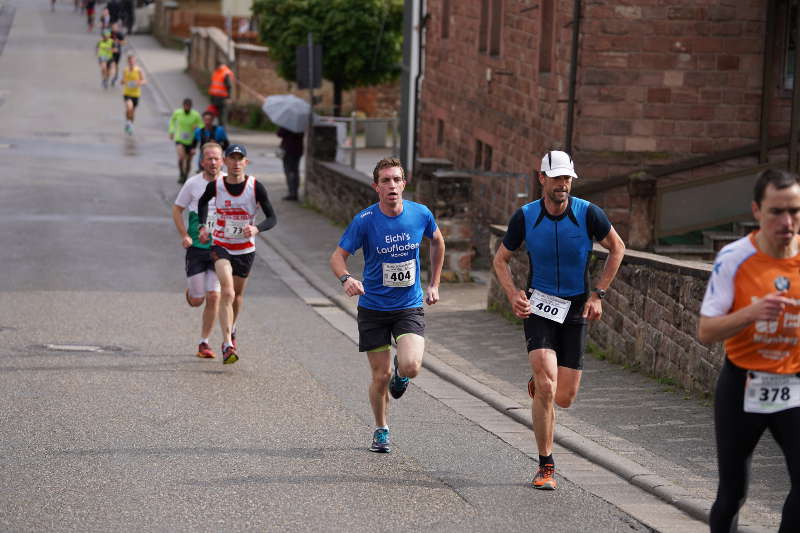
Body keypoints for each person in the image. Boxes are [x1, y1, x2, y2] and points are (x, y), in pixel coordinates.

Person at [492, 150, 625, 490]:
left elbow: (617, 248)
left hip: (577, 308)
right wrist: (512, 294)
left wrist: (599, 294)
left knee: (563, 397)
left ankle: (540, 388)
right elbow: (501, 259)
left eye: (568, 178)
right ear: (542, 179)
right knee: (547, 383)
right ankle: (545, 465)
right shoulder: (525, 217)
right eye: (557, 178)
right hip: (539, 306)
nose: (563, 184)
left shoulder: (588, 214)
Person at [698, 168, 800, 533]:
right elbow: (706, 330)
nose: (787, 221)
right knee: (732, 493)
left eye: (795, 211)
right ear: (757, 211)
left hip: (793, 386)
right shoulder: (735, 257)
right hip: (742, 385)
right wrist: (751, 313)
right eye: (776, 211)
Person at [329, 157, 445, 453]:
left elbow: (437, 242)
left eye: (396, 179)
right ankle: (381, 429)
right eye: (385, 181)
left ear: (404, 184)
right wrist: (346, 279)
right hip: (373, 309)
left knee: (411, 366)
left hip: (408, 305)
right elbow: (337, 257)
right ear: (376, 187)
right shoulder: (364, 221)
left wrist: (434, 284)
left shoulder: (420, 214)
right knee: (380, 377)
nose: (392, 185)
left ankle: (401, 369)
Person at [197, 144, 277, 364]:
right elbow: (203, 202)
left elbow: (272, 217)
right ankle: (227, 345)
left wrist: (257, 228)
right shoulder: (217, 185)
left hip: (245, 249)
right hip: (221, 245)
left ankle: (232, 328)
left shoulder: (255, 187)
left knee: (238, 297)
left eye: (239, 158)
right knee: (228, 292)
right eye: (231, 158)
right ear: (225, 161)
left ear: (245, 162)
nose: (235, 162)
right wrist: (203, 227)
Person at [172, 142, 226, 360]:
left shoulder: (228, 183)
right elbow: (177, 210)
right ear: (202, 161)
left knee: (214, 295)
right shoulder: (193, 183)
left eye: (216, 158)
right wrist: (184, 234)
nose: (212, 162)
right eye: (209, 158)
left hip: (219, 248)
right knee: (198, 300)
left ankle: (204, 342)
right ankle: (192, 294)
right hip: (196, 248)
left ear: (222, 161)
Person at [169, 98, 204, 183]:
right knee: (181, 157)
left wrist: (197, 126)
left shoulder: (195, 115)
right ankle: (181, 173)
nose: (187, 108)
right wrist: (172, 131)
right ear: (183, 106)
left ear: (191, 107)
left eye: (188, 106)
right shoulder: (178, 113)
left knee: (188, 161)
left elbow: (202, 125)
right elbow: (172, 121)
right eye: (185, 106)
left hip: (191, 141)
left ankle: (185, 176)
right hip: (179, 139)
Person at [277, 127, 304, 201]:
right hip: (298, 150)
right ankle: (294, 192)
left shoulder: (287, 124)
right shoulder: (300, 125)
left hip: (288, 150)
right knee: (295, 171)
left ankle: (292, 193)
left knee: (289, 171)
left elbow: (279, 133)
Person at [121, 54, 145, 135]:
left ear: (135, 61)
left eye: (133, 61)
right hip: (127, 93)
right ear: (128, 62)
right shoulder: (125, 70)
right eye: (130, 61)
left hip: (136, 94)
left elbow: (144, 80)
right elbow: (122, 81)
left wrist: (139, 83)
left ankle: (130, 124)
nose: (131, 62)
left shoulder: (139, 70)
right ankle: (128, 123)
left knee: (132, 112)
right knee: (129, 107)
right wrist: (124, 82)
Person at [208, 61, 234, 127]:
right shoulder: (221, 72)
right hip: (218, 98)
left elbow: (228, 86)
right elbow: (228, 86)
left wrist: (228, 98)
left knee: (218, 115)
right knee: (217, 114)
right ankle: (218, 129)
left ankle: (217, 130)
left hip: (218, 98)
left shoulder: (221, 73)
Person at [108, 22, 126, 86]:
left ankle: (115, 77)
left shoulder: (120, 34)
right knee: (111, 64)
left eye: (115, 27)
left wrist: (118, 41)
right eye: (112, 27)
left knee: (115, 65)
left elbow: (124, 43)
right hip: (110, 51)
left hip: (118, 52)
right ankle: (110, 76)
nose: (113, 29)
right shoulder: (110, 33)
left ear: (117, 28)